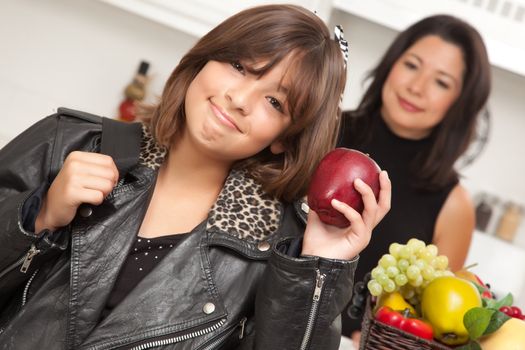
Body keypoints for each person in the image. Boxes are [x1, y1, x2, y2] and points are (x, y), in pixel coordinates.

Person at [0, 4, 391, 350]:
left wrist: (317, 270)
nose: (240, 99)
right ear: (204, 60)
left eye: (274, 102)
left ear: (283, 139)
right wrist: (38, 215)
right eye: (239, 67)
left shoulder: (276, 253)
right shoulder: (68, 143)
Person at [337, 14, 491, 343]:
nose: (416, 87)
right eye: (411, 65)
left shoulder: (454, 205)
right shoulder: (321, 129)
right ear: (391, 63)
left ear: (460, 104)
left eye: (441, 82)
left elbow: (431, 318)